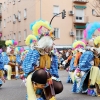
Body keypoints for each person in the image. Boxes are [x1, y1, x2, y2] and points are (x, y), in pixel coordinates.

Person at [22, 20, 63, 100]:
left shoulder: (52, 55)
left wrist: (54, 79)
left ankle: (46, 94)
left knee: (59, 86)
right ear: (46, 45)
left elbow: (54, 71)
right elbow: (27, 68)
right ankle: (37, 95)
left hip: (47, 75)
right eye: (51, 45)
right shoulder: (35, 51)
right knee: (42, 73)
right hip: (33, 75)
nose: (53, 46)